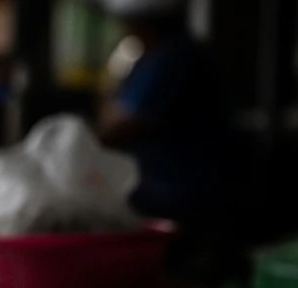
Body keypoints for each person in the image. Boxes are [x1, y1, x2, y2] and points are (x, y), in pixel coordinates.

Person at [99, 0, 232, 222]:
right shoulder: (152, 58)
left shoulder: (175, 59)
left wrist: (79, 147)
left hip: (180, 191)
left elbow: (128, 125)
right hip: (163, 184)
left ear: (146, 22)